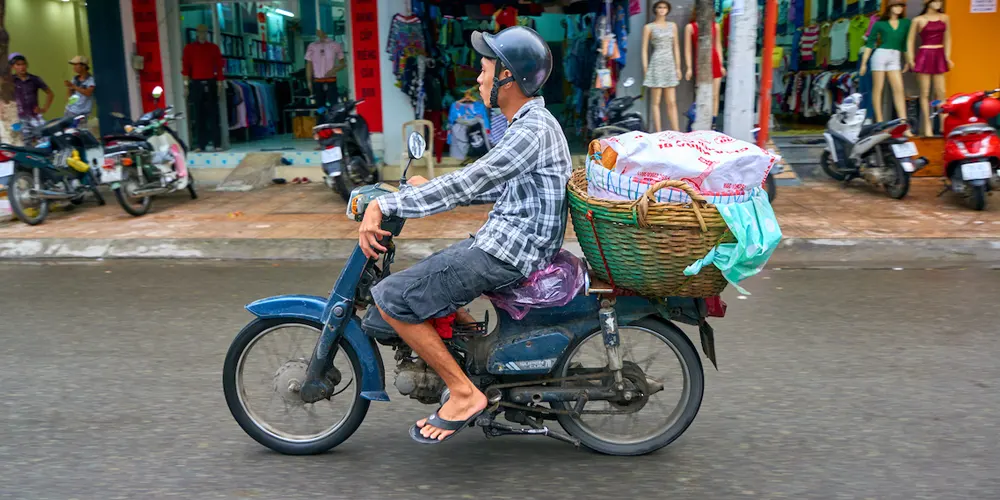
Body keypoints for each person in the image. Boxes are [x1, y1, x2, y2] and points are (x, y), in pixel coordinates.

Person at [358, 26, 571, 444]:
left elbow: (473, 180)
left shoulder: (531, 129)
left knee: (393, 298)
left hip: (511, 251)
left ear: (508, 78)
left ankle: (462, 391)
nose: (479, 79)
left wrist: (389, 204)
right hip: (509, 240)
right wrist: (422, 191)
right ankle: (473, 354)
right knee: (431, 273)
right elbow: (497, 183)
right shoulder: (527, 124)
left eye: (485, 69)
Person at [182, 24, 225, 152]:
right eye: (200, 32)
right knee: (199, 114)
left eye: (205, 32)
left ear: (207, 33)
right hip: (196, 82)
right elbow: (186, 67)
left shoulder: (213, 48)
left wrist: (219, 84)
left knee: (213, 114)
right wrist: (186, 85)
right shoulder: (189, 48)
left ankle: (217, 143)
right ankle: (201, 144)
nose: (202, 34)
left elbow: (219, 66)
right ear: (196, 33)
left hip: (211, 81)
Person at [10, 53, 54, 135]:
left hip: (35, 116)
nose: (21, 67)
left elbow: (50, 93)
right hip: (20, 117)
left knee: (45, 138)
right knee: (26, 142)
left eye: (23, 64)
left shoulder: (35, 79)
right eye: (18, 65)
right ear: (13, 67)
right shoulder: (11, 81)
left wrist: (44, 109)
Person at [64, 56, 95, 124]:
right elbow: (70, 96)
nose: (74, 67)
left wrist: (73, 86)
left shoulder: (90, 80)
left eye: (76, 65)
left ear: (83, 66)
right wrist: (69, 87)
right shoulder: (75, 78)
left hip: (82, 113)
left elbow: (88, 93)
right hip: (70, 110)